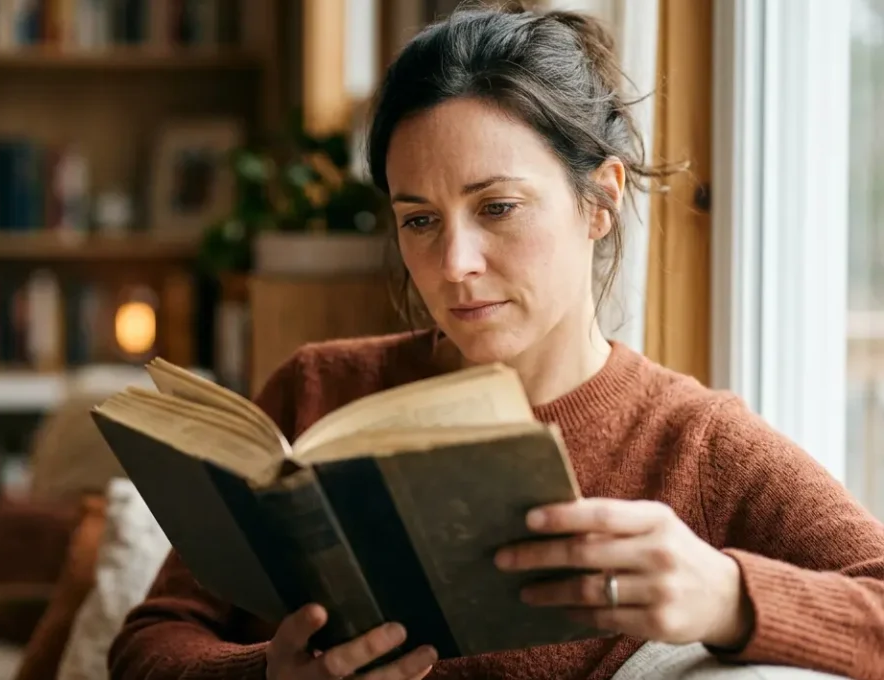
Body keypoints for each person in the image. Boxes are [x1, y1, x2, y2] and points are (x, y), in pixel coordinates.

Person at [108, 6, 884, 680]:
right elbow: (147, 644)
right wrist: (266, 675)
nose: (454, 266)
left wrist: (727, 595)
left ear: (600, 201)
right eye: (419, 220)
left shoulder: (695, 446)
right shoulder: (317, 389)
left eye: (499, 207)